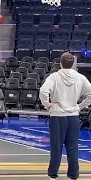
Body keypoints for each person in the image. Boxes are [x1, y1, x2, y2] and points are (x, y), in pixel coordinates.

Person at [39, 52, 91, 180]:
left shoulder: (54, 77)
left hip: (58, 116)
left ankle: (53, 175)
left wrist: (48, 105)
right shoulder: (80, 78)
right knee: (72, 147)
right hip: (73, 116)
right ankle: (73, 176)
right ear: (73, 63)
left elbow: (43, 91)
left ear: (60, 63)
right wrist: (80, 106)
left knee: (56, 147)